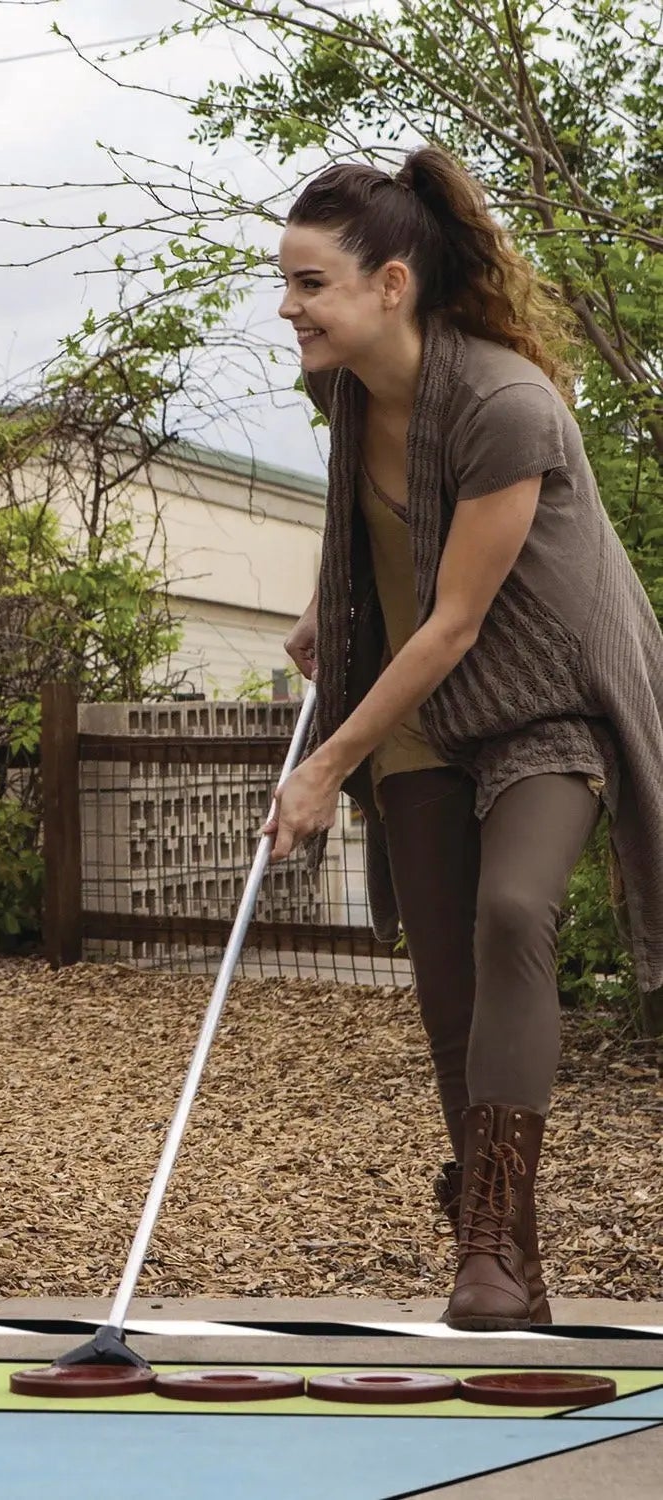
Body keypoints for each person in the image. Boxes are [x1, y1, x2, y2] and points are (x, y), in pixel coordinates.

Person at [265, 145, 663, 1330]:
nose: (287, 307)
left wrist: (325, 762)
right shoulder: (343, 392)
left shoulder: (505, 402)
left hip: (548, 694)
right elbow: (390, 539)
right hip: (425, 709)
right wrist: (317, 609)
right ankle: (506, 1255)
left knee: (511, 914)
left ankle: (488, 1233)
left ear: (392, 284)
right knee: (448, 985)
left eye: (309, 284)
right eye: (282, 282)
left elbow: (457, 619)